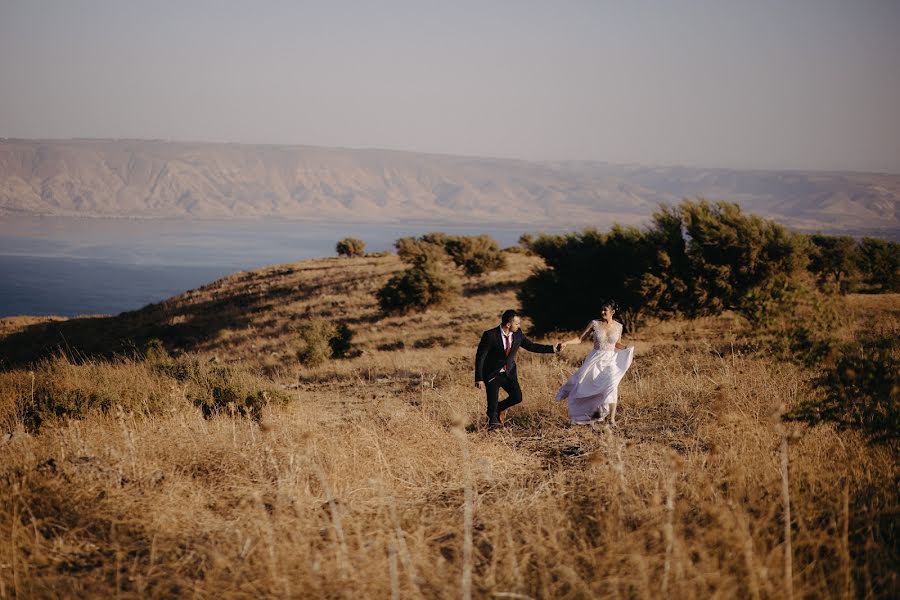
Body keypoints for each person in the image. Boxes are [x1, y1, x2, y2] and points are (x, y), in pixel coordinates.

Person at [475, 309, 562, 430]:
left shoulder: (518, 334)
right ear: (508, 324)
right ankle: (492, 429)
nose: (519, 326)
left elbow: (531, 346)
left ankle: (499, 408)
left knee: (517, 397)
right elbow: (480, 357)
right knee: (491, 405)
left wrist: (553, 348)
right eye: (517, 323)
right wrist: (479, 378)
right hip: (492, 374)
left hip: (509, 373)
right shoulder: (490, 335)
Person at [555, 300, 634, 427]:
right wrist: (566, 342)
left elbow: (617, 343)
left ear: (612, 312)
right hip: (596, 358)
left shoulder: (619, 326)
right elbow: (580, 339)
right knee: (586, 385)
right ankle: (587, 415)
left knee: (612, 386)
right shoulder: (594, 323)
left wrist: (626, 348)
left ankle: (612, 420)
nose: (602, 312)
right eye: (601, 309)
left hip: (610, 360)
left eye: (605, 310)